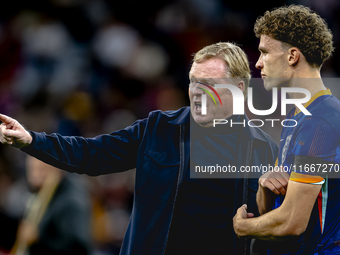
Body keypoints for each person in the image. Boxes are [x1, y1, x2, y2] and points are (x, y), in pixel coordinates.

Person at [0, 42, 278, 255]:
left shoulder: (265, 149)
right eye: (194, 81)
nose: (197, 91)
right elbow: (93, 155)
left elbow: (277, 225)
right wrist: (32, 140)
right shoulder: (160, 128)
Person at [233, 5, 340, 255]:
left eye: (264, 53)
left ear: (292, 56)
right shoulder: (299, 115)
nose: (257, 64)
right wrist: (264, 188)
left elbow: (292, 221)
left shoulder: (321, 121)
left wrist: (243, 227)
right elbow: (278, 202)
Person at [12, 156, 92, 255]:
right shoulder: (44, 192)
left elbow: (78, 248)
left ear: (57, 168)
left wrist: (39, 239)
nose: (35, 176)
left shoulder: (71, 202)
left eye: (41, 170)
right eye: (31, 169)